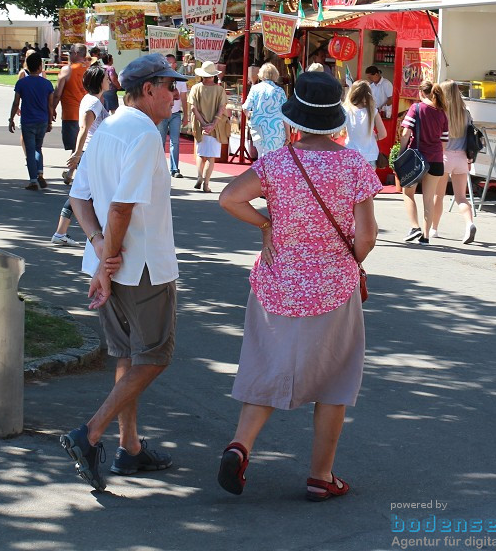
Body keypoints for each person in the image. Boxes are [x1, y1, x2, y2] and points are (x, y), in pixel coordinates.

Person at [216, 70, 380, 501]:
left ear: (294, 122)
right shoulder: (353, 166)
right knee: (335, 381)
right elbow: (367, 236)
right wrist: (349, 262)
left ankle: (240, 445)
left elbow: (229, 197)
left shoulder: (276, 162)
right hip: (333, 288)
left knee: (268, 367)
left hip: (275, 285)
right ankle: (321, 476)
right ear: (335, 121)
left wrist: (266, 223)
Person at [60, 53, 189, 492]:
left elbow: (79, 199)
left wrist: (99, 250)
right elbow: (120, 207)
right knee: (155, 356)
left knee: (128, 356)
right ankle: (91, 433)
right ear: (148, 89)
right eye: (170, 85)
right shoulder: (145, 133)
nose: (175, 94)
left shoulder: (106, 127)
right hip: (143, 266)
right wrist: (108, 260)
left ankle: (129, 447)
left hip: (113, 263)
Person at [52, 66, 111, 245]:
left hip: (91, 152)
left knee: (84, 193)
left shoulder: (93, 100)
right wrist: (77, 154)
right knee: (83, 194)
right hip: (91, 153)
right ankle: (66, 233)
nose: (109, 80)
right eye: (106, 78)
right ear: (99, 81)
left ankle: (62, 232)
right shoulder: (93, 102)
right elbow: (84, 128)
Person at [400, 81, 448, 244]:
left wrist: (401, 154)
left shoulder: (416, 108)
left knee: (408, 193)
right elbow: (444, 141)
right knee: (428, 198)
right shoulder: (442, 112)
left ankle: (415, 227)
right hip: (436, 159)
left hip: (416, 158)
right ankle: (425, 236)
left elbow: (406, 133)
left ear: (421, 93)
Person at [431, 80, 477, 244]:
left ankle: (434, 228)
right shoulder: (466, 113)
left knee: (439, 195)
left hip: (443, 157)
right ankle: (469, 224)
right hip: (462, 158)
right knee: (461, 198)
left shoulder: (441, 112)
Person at [9, 52, 55, 190]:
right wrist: (50, 121)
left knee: (30, 150)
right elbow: (50, 105)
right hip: (42, 120)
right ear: (40, 67)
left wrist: (11, 119)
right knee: (38, 148)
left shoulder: (22, 83)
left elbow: (16, 102)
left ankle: (33, 180)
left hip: (28, 120)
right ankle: (40, 172)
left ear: (27, 66)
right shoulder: (47, 84)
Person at [187, 61, 229, 192]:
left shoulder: (195, 88)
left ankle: (199, 176)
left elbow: (193, 108)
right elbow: (222, 108)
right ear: (213, 75)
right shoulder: (219, 89)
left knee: (200, 154)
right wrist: (212, 124)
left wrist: (204, 124)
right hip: (215, 128)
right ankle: (206, 183)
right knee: (211, 157)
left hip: (200, 126)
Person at [53, 43, 90, 184]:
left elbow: (57, 93)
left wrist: (52, 109)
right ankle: (70, 173)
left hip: (71, 113)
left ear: (75, 53)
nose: (68, 55)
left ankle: (81, 177)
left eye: (70, 52)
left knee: (76, 145)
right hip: (88, 114)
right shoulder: (90, 70)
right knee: (79, 146)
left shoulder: (67, 70)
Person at [242, 62, 290, 158]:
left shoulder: (255, 89)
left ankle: (262, 172)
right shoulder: (280, 91)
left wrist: (251, 117)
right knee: (275, 158)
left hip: (259, 127)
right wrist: (288, 135)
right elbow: (285, 114)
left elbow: (245, 107)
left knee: (261, 155)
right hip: (276, 128)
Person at [156, 53, 189, 177]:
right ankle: (159, 167)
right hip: (163, 114)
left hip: (175, 114)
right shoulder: (160, 79)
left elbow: (184, 99)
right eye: (167, 62)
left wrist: (186, 115)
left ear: (175, 64)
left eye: (172, 62)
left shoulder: (180, 80)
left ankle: (175, 169)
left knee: (175, 141)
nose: (170, 65)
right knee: (160, 141)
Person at [341, 80, 385, 167]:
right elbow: (383, 134)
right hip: (370, 155)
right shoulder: (373, 111)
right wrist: (374, 137)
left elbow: (337, 134)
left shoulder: (346, 110)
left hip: (351, 154)